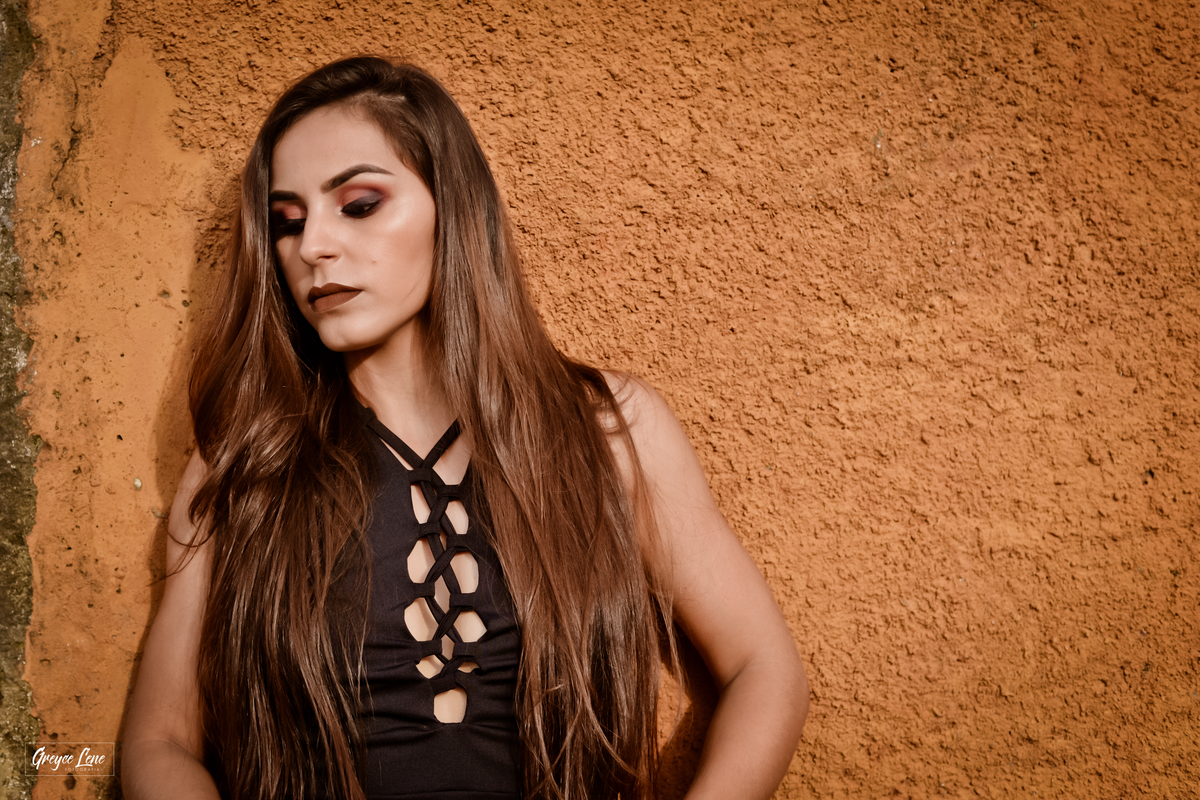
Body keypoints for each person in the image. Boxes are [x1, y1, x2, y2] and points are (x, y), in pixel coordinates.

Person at [121, 57, 808, 800]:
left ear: (451, 206)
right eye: (287, 221)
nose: (313, 245)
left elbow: (764, 669)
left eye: (358, 204)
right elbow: (160, 742)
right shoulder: (249, 459)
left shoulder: (609, 431)